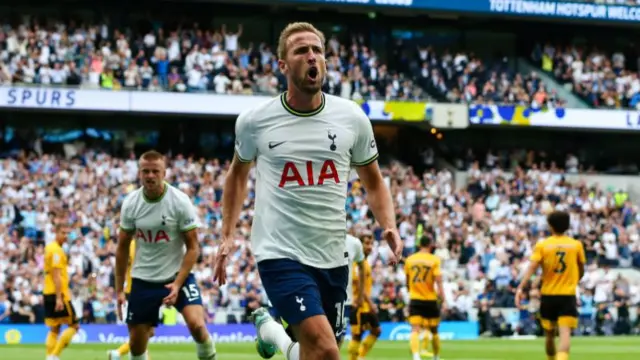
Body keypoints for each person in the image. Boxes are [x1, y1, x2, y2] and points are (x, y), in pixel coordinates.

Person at [213, 21, 402, 360]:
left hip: (331, 255)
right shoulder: (256, 121)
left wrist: (388, 223)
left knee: (316, 354)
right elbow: (237, 175)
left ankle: (272, 332)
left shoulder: (351, 118)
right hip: (280, 253)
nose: (312, 57)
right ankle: (276, 332)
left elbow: (373, 181)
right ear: (283, 65)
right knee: (327, 351)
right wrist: (227, 235)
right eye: (302, 51)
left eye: (318, 50)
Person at [115, 150, 217, 360]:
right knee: (136, 345)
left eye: (155, 171)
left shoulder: (179, 201)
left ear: (164, 173)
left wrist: (178, 283)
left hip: (177, 275)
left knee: (197, 325)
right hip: (143, 279)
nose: (150, 175)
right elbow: (122, 248)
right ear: (139, 173)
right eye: (146, 171)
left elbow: (193, 247)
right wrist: (119, 289)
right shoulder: (131, 204)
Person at [516, 211, 585, 360]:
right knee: (565, 333)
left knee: (549, 335)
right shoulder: (576, 245)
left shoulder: (543, 245)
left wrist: (521, 287)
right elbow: (581, 270)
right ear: (567, 226)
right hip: (567, 294)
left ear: (550, 226)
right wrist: (573, 280)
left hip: (548, 295)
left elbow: (532, 267)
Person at [108, 239, 155, 360]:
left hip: (138, 291)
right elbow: (122, 265)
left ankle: (118, 353)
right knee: (144, 332)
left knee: (146, 332)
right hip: (139, 292)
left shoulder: (134, 244)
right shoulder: (136, 245)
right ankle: (118, 353)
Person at [404, 234, 445, 360]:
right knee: (434, 330)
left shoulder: (409, 260)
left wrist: (412, 291)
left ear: (419, 244)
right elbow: (438, 280)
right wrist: (442, 296)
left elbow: (407, 281)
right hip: (430, 299)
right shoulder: (434, 260)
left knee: (415, 330)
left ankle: (416, 356)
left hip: (415, 298)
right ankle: (436, 356)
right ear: (430, 245)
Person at [43, 223, 80, 360]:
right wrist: (59, 298)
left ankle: (49, 356)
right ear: (56, 233)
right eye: (63, 233)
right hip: (59, 294)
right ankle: (54, 356)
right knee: (74, 326)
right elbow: (56, 275)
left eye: (67, 233)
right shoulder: (57, 251)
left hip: (48, 291)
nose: (65, 236)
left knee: (54, 328)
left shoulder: (49, 248)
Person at [347, 233, 381, 360]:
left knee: (376, 331)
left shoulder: (365, 262)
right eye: (366, 243)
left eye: (371, 244)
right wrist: (370, 302)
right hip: (359, 304)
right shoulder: (357, 263)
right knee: (357, 335)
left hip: (365, 305)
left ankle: (360, 356)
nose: (369, 246)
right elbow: (358, 284)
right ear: (359, 245)